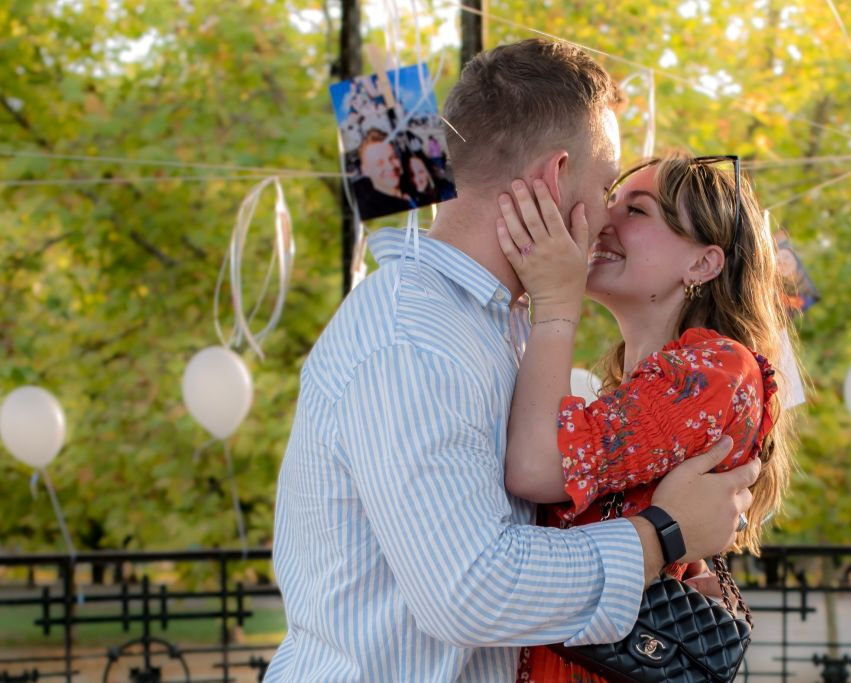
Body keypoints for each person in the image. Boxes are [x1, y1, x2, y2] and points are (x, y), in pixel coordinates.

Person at [265, 39, 761, 682]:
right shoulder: (414, 338)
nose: (608, 213)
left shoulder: (498, 328)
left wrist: (662, 582)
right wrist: (660, 536)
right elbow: (471, 591)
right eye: (607, 184)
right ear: (556, 176)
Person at [492, 155, 796, 681]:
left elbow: (534, 468)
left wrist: (555, 304)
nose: (604, 220)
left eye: (637, 210)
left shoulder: (718, 370)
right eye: (610, 201)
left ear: (703, 263)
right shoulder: (639, 388)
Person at [352, 128, 414, 219]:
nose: (390, 166)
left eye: (392, 158)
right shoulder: (373, 213)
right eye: (379, 163)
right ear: (365, 170)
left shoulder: (413, 185)